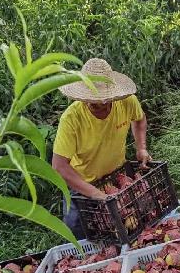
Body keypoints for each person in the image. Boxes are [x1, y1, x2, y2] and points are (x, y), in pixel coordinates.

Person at [52, 58, 151, 240]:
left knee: (133, 228)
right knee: (79, 236)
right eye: (89, 100)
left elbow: (139, 119)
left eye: (99, 102)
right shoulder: (71, 119)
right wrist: (96, 194)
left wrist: (141, 148)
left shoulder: (127, 102)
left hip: (117, 179)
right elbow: (59, 166)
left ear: (112, 97)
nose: (93, 105)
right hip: (82, 185)